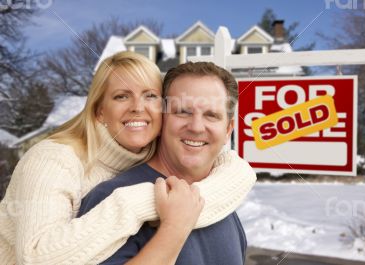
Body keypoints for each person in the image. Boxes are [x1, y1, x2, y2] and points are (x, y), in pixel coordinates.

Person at [0, 52, 256, 265]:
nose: (137, 107)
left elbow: (234, 169)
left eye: (150, 96)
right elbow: (34, 258)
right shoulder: (59, 163)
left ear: (228, 129)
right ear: (100, 111)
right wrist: (150, 208)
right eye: (182, 111)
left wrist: (242, 172)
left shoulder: (218, 197)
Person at [78, 61, 248, 265]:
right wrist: (173, 229)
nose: (196, 127)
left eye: (211, 115)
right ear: (162, 118)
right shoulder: (111, 198)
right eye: (183, 112)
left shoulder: (222, 200)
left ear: (228, 129)